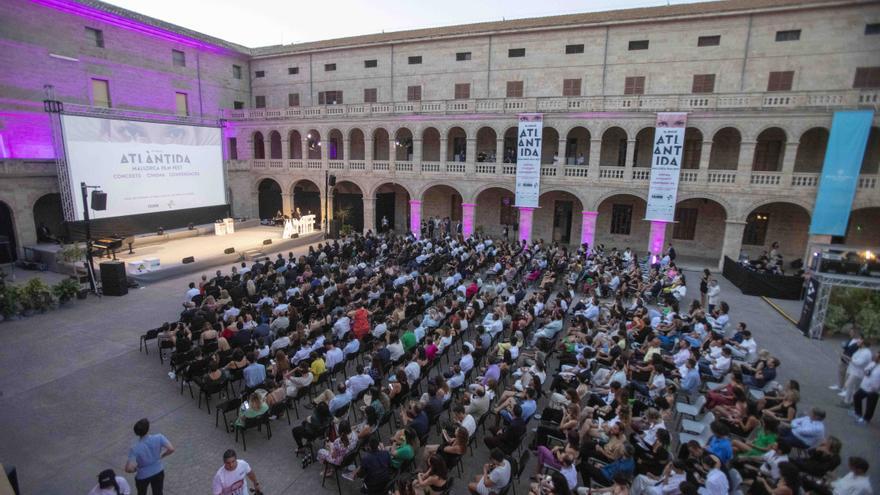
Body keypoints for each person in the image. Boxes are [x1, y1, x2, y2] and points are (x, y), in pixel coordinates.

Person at [124, 418, 174, 495]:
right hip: (158, 471)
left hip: (142, 475)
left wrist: (136, 469)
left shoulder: (135, 448)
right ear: (148, 429)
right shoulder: (159, 437)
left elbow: (128, 469)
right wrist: (161, 456)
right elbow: (171, 449)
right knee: (158, 493)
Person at [853, 352, 880, 424]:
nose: (874, 357)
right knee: (856, 396)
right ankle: (858, 413)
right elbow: (865, 370)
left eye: (877, 356)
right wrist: (866, 371)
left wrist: (877, 388)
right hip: (865, 386)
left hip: (874, 390)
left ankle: (866, 419)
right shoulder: (873, 363)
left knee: (870, 405)